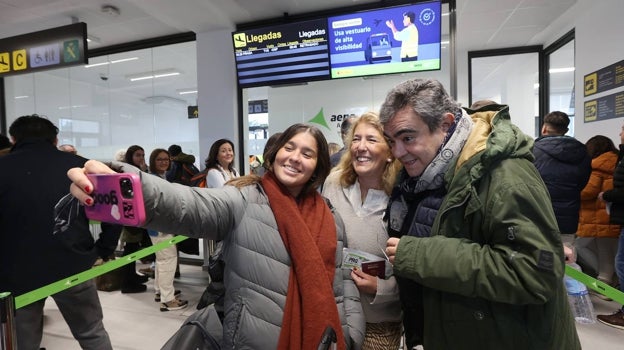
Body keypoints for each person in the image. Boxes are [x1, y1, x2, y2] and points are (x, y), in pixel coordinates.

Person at [68, 123, 365, 349]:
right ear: (275, 153)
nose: (295, 158)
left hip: (324, 340)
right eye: (289, 147)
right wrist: (121, 180)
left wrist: (351, 334)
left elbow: (343, 280)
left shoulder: (329, 215)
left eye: (307, 153)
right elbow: (184, 204)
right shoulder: (243, 200)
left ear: (317, 166)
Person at [379, 79, 581, 349]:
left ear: (446, 124)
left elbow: (534, 273)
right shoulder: (434, 172)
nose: (397, 152)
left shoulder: (506, 175)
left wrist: (420, 255)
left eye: (408, 138)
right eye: (392, 141)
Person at [0, 114, 116, 350]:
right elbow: (115, 211)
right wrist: (103, 249)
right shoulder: (79, 167)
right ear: (55, 139)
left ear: (14, 139)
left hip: (17, 272)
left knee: (24, 343)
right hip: (73, 264)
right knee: (91, 333)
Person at [322, 112, 403, 349]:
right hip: (336, 313)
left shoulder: (402, 197)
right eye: (356, 139)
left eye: (371, 139)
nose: (361, 147)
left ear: (390, 152)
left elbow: (416, 265)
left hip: (379, 320)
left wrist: (383, 288)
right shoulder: (333, 184)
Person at [533, 111, 591, 244]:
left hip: (539, 215)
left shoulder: (533, 151)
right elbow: (583, 182)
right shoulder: (582, 151)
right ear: (566, 130)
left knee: (539, 259)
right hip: (568, 218)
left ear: (544, 128)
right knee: (566, 259)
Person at [575, 135, 620, 288]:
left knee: (581, 246)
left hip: (597, 217)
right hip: (610, 214)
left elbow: (587, 191)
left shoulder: (597, 165)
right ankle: (609, 279)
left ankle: (605, 281)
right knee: (607, 251)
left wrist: (572, 190)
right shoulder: (616, 162)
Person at [148, 148, 187, 311]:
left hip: (159, 225)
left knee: (161, 259)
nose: (164, 162)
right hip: (160, 226)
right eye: (159, 159)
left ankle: (160, 291)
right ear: (153, 162)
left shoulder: (161, 177)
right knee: (167, 259)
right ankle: (167, 299)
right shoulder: (153, 180)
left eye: (166, 159)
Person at [596, 123, 624, 329]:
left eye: (623, 130)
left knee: (620, 262)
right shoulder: (619, 157)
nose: (620, 133)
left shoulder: (597, 165)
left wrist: (606, 195)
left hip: (602, 217)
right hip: (613, 216)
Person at [119, 144, 152, 293]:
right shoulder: (126, 171)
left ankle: (131, 276)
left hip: (140, 216)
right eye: (138, 155)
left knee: (134, 249)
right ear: (130, 156)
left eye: (143, 155)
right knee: (130, 250)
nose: (141, 158)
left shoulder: (142, 170)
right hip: (130, 217)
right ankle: (127, 283)